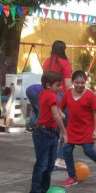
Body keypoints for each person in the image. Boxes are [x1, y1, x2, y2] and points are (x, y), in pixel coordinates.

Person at [59, 70, 96, 187]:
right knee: (66, 151)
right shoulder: (68, 94)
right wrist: (61, 113)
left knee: (88, 150)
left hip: (87, 128)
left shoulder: (90, 95)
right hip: (71, 128)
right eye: (77, 82)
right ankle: (72, 177)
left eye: (82, 83)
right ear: (72, 82)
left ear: (86, 82)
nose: (79, 85)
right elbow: (60, 108)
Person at [26, 71, 68, 193]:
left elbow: (55, 111)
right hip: (44, 133)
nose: (60, 88)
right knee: (42, 166)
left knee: (49, 166)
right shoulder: (50, 94)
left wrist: (60, 113)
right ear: (48, 85)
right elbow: (56, 115)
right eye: (58, 85)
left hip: (49, 134)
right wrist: (64, 132)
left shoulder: (47, 94)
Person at [42, 40, 72, 168]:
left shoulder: (46, 62)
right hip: (61, 96)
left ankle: (51, 158)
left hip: (47, 95)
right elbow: (68, 84)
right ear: (63, 50)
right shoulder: (65, 63)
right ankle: (60, 158)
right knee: (66, 128)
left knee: (53, 128)